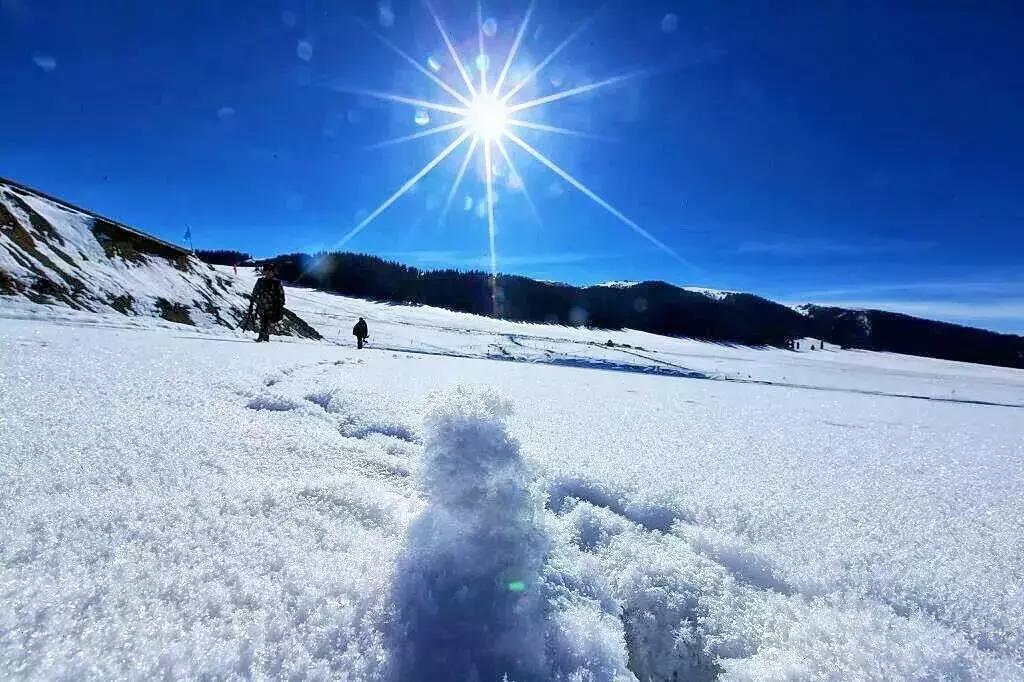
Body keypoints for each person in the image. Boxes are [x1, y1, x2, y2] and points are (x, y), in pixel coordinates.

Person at [246, 263, 285, 342]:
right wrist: (252, 302)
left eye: (270, 271)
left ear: (273, 272)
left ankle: (261, 336)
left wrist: (280, 306)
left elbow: (281, 295)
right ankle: (266, 337)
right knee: (264, 320)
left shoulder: (277, 282)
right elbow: (255, 292)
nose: (268, 273)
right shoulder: (260, 281)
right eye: (266, 271)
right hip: (262, 305)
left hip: (272, 306)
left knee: (265, 320)